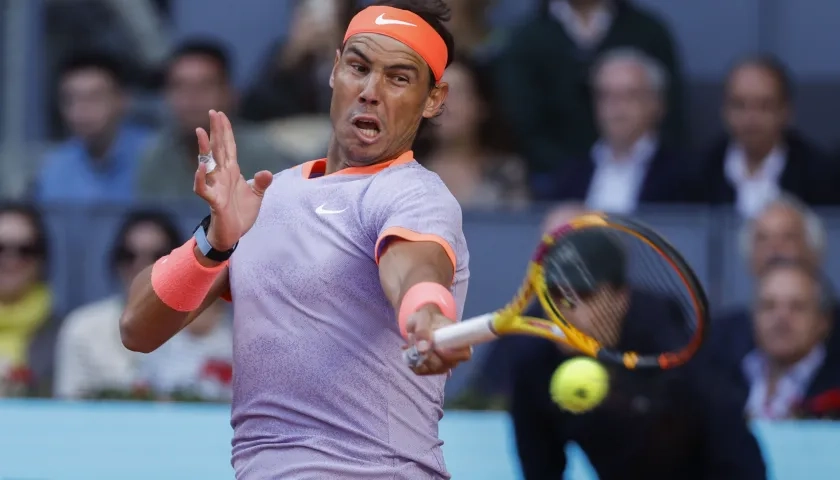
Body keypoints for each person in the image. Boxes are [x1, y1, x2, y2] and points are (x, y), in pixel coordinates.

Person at [120, 1, 471, 479]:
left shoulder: (414, 195)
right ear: (334, 71)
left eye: (399, 77)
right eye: (359, 67)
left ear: (434, 99)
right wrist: (214, 243)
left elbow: (414, 268)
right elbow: (138, 329)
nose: (370, 91)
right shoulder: (267, 196)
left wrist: (426, 316)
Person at [508, 229, 767, 479]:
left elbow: (737, 457)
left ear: (621, 298)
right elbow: (540, 470)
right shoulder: (535, 367)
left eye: (584, 295)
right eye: (554, 295)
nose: (564, 312)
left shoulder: (675, 352)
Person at [54, 209, 182, 399]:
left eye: (157, 256)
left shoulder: (203, 330)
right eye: (129, 255)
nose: (141, 266)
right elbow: (69, 409)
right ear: (116, 261)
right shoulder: (82, 327)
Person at [33, 50, 150, 203]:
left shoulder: (151, 156)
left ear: (123, 100)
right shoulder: (54, 167)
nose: (81, 110)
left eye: (94, 98)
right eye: (71, 100)